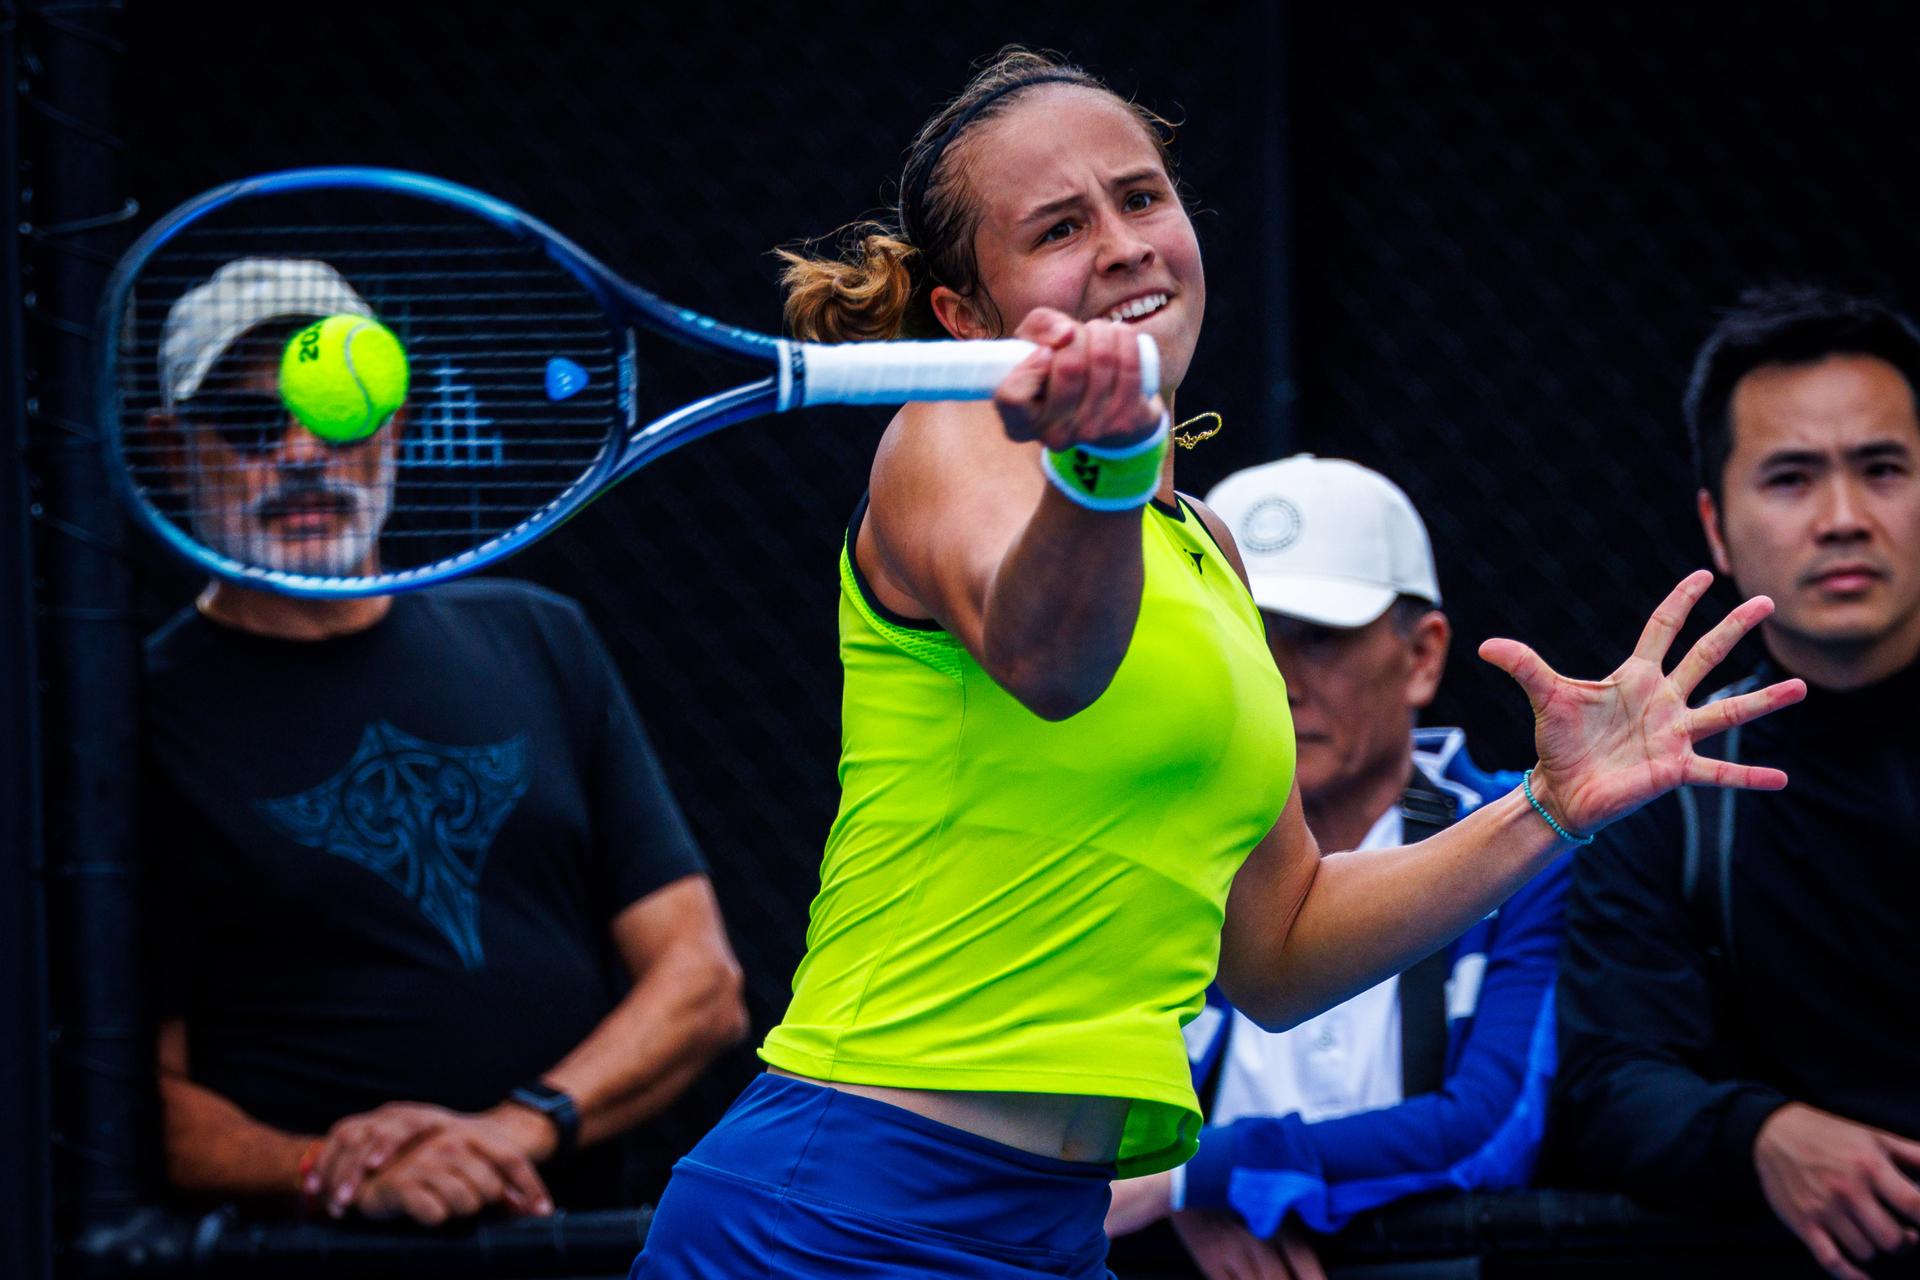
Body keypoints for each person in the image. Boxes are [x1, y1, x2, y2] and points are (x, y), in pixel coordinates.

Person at [631, 49, 1802, 1280]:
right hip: (834, 1210)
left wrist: (1547, 807)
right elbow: (1046, 657)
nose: (1125, 244)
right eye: (1059, 227)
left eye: (1142, 197)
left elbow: (1280, 950)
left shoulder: (1208, 550)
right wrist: (1104, 467)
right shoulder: (950, 434)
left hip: (1050, 1231)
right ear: (966, 318)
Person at [142, 257, 749, 1226]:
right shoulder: (135, 717)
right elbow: (137, 1098)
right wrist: (332, 1170)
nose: (301, 452)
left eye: (339, 412)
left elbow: (700, 983)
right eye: (251, 424)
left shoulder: (539, 637)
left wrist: (515, 1130)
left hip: (574, 1240)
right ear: (171, 452)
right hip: (299, 1258)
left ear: (392, 427)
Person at [1104, 456, 1569, 1279]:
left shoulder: (1524, 830)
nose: (1276, 678)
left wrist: (1196, 1178)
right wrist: (1190, 1190)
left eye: (1317, 638)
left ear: (1422, 656)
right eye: (1242, 633)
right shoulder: (1135, 832)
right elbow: (1076, 1111)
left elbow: (1491, 1129)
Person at [1548, 284, 1920, 1280]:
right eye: (1791, 478)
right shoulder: (1669, 786)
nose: (1843, 518)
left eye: (1882, 468)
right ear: (1716, 524)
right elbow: (1607, 1080)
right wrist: (1759, 1135)